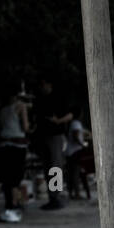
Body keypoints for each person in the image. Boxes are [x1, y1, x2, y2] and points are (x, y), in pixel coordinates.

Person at [35, 79, 73, 210]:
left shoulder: (58, 98)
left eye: (43, 84)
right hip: (43, 135)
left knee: (55, 166)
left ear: (49, 84)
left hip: (55, 135)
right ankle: (52, 196)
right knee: (47, 167)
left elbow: (70, 114)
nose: (41, 87)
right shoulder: (40, 99)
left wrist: (58, 121)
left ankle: (56, 196)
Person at [0, 86, 29, 223]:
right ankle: (14, 203)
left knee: (7, 177)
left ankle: (10, 202)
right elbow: (25, 126)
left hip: (3, 144)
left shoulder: (2, 110)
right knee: (16, 175)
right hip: (17, 143)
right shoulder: (21, 106)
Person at [65, 111, 91, 199]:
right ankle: (77, 193)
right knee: (76, 172)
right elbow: (76, 136)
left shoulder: (73, 123)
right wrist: (82, 145)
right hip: (75, 152)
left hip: (71, 151)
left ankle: (72, 193)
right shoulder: (76, 123)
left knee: (72, 173)